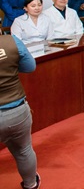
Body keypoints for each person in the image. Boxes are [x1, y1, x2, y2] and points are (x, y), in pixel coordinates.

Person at [0, 34, 41, 189]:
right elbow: (30, 67)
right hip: (16, 110)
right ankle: (31, 185)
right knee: (24, 150)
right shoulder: (11, 41)